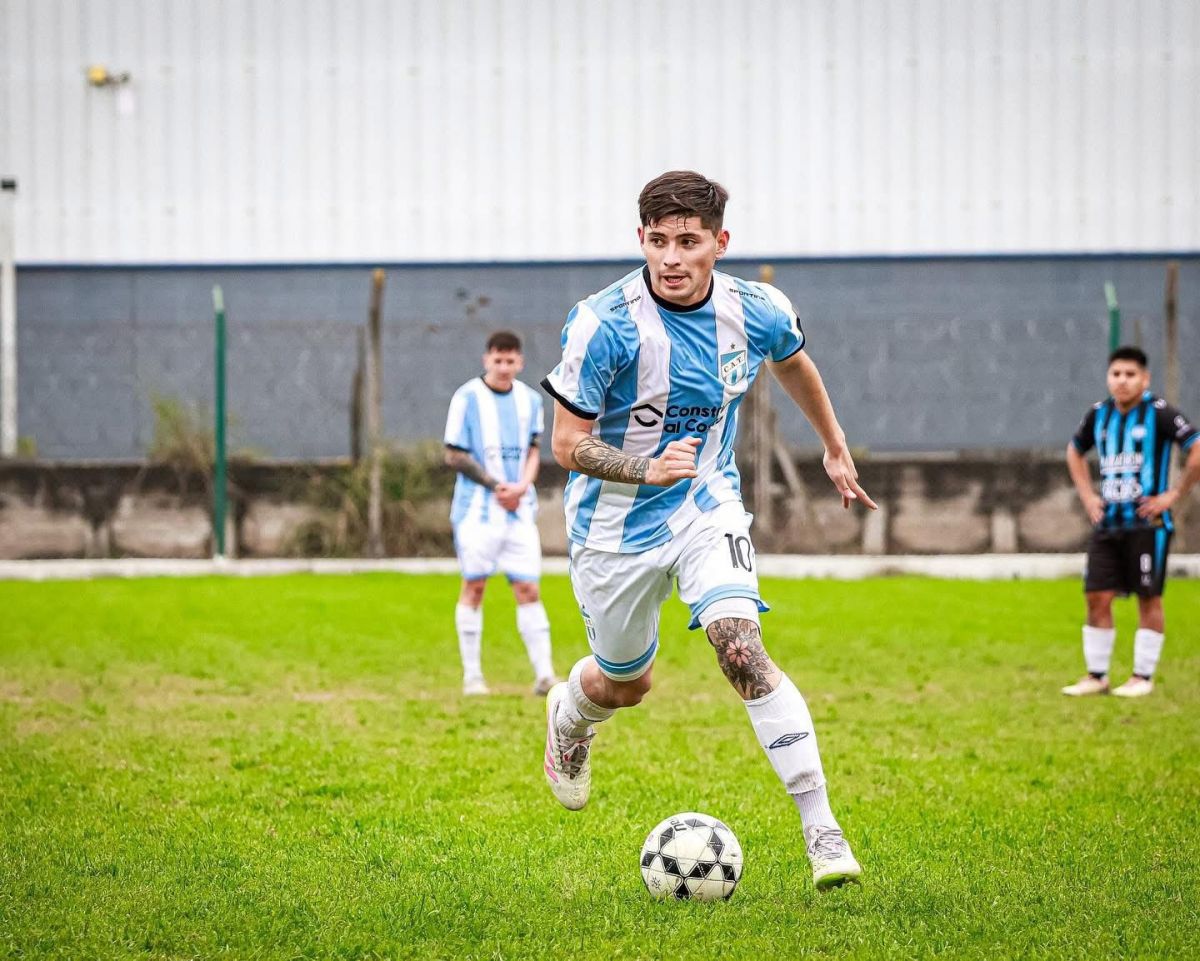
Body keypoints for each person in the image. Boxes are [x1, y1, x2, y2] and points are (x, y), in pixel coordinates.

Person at [539, 170, 877, 891]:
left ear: (720, 242)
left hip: (705, 503)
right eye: (658, 240)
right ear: (640, 239)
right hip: (612, 528)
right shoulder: (602, 324)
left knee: (741, 647)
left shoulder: (756, 309)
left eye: (688, 241)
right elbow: (566, 444)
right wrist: (646, 468)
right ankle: (570, 718)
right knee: (626, 683)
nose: (671, 257)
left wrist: (834, 443)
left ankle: (823, 832)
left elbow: (793, 361)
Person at [1061, 345, 1200, 698]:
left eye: (1130, 374)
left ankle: (1142, 677)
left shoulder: (1160, 413)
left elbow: (1196, 448)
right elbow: (1074, 451)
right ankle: (1097, 676)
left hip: (1147, 526)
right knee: (1096, 595)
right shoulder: (1099, 414)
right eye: (1116, 374)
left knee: (1148, 596)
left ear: (1145, 379)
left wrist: (1173, 494)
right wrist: (1088, 496)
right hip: (1107, 523)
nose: (1122, 381)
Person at [443, 330, 560, 697]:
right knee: (474, 586)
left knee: (528, 588)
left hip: (519, 511)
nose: (504, 367)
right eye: (498, 360)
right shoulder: (466, 397)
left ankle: (545, 675)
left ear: (519, 362)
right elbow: (454, 454)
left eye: (510, 361)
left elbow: (533, 449)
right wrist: (496, 486)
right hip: (477, 512)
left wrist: (522, 485)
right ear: (487, 360)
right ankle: (473, 676)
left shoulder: (530, 400)